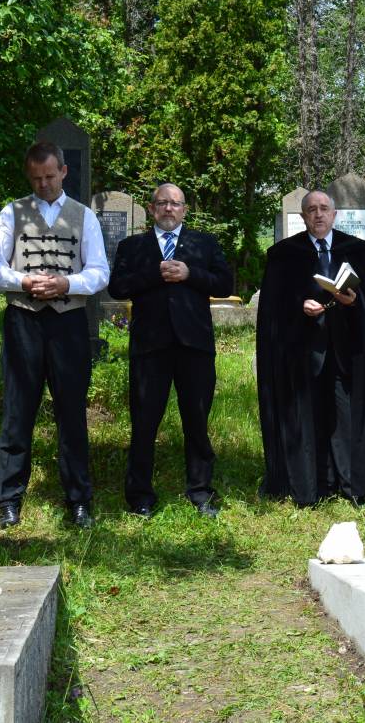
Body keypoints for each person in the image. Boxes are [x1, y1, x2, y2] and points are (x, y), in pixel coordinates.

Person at [256, 190, 365, 505]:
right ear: (304, 216)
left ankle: (353, 487)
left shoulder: (357, 251)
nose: (318, 214)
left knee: (346, 420)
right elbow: (272, 309)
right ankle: (312, 489)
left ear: (334, 215)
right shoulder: (284, 254)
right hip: (302, 353)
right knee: (308, 420)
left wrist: (352, 301)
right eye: (311, 210)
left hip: (349, 352)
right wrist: (300, 305)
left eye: (324, 209)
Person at [0, 142, 109, 529]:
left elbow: (100, 272)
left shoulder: (83, 216)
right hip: (23, 320)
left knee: (71, 413)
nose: (43, 184)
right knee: (18, 411)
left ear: (64, 172)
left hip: (68, 323)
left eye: (50, 177)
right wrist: (23, 279)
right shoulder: (12, 212)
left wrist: (66, 282)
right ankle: (10, 499)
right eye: (36, 179)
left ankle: (79, 499)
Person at [108, 183, 234, 519]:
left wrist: (191, 273)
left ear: (185, 210)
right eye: (162, 203)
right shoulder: (132, 246)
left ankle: (201, 492)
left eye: (175, 204)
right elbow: (117, 286)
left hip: (195, 345)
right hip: (150, 347)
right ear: (151, 209)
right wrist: (154, 274)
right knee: (145, 423)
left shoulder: (203, 243)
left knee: (196, 421)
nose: (168, 209)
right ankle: (140, 497)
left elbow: (225, 284)